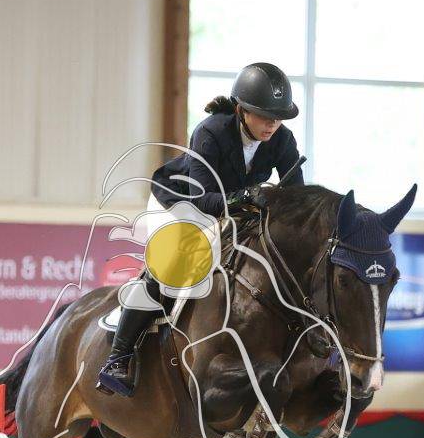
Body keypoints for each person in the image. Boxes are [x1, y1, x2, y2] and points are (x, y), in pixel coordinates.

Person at [97, 61, 305, 397]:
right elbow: (202, 200)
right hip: (180, 202)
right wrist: (247, 197)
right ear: (241, 111)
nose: (272, 124)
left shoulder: (282, 139)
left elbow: (296, 197)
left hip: (233, 207)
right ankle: (118, 357)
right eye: (265, 116)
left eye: (278, 117)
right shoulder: (211, 132)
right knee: (173, 262)